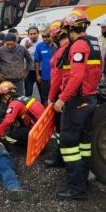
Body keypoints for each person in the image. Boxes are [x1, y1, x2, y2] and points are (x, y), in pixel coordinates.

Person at [53, 10, 102, 200]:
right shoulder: (94, 42)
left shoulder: (79, 45)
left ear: (71, 27)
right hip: (90, 98)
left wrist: (63, 98)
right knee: (83, 142)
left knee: (68, 142)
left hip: (77, 101)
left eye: (67, 30)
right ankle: (84, 177)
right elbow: (99, 69)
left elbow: (77, 75)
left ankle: (76, 187)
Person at [45, 19, 70, 168]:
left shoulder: (62, 51)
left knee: (61, 128)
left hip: (62, 94)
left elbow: (56, 77)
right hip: (74, 93)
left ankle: (60, 158)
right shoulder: (75, 47)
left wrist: (50, 97)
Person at [0, 81, 45, 147]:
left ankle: (27, 144)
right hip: (41, 127)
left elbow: (8, 120)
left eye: (2, 97)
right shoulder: (23, 98)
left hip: (35, 131)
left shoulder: (14, 103)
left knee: (9, 137)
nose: (2, 100)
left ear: (7, 95)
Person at [34, 26, 57, 106]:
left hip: (57, 78)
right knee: (45, 99)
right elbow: (37, 61)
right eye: (43, 37)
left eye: (47, 37)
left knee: (56, 99)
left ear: (52, 35)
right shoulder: (40, 46)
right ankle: (47, 116)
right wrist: (37, 75)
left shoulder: (57, 45)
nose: (44, 39)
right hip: (45, 78)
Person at [20, 25, 43, 99]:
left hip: (40, 70)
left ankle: (44, 108)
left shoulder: (42, 40)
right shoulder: (24, 42)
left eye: (34, 33)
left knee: (42, 92)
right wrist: (25, 48)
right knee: (28, 92)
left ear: (38, 33)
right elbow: (19, 56)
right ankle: (27, 109)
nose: (33, 36)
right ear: (28, 35)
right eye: (31, 34)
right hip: (29, 70)